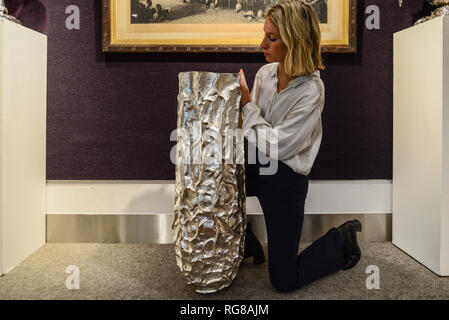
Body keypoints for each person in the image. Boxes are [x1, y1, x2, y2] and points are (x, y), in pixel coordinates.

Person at [238, 0, 362, 293]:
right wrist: (244, 111)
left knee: (284, 280)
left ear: (294, 41)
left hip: (285, 178)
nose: (262, 44)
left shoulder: (311, 90)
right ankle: (246, 240)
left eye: (271, 38)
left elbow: (279, 145)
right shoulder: (266, 75)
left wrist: (246, 107)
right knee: (213, 172)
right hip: (258, 162)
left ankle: (341, 240)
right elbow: (253, 133)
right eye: (264, 35)